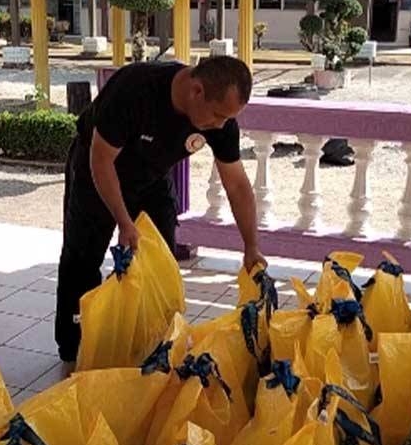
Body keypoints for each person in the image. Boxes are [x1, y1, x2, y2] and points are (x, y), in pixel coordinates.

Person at [55, 55, 266, 370]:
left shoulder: (220, 120)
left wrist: (251, 246)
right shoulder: (135, 89)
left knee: (160, 257)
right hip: (97, 168)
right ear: (196, 91)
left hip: (151, 175)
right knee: (82, 257)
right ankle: (74, 347)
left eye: (227, 119)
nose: (220, 126)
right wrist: (124, 223)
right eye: (218, 115)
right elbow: (100, 160)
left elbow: (236, 185)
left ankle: (152, 344)